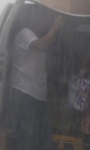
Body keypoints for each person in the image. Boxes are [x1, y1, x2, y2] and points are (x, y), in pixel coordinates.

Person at [10, 9, 64, 150]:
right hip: (24, 94)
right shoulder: (25, 33)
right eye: (44, 20)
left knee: (41, 139)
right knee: (28, 139)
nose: (45, 24)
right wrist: (55, 28)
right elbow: (40, 45)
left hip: (36, 97)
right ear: (34, 20)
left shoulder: (37, 36)